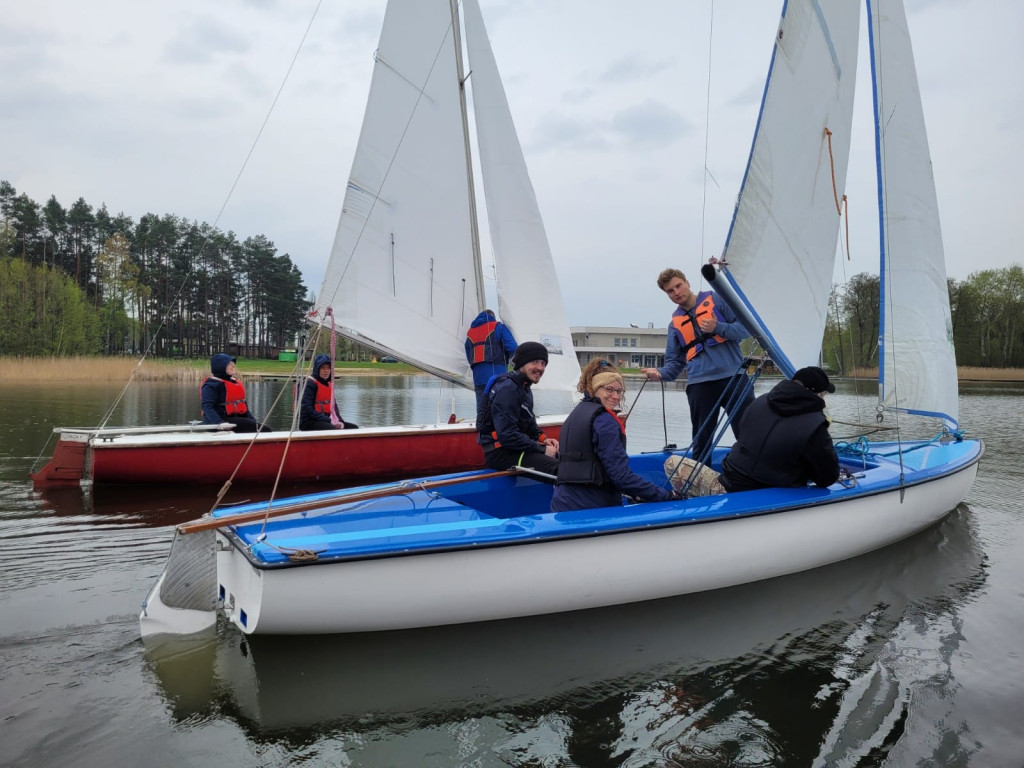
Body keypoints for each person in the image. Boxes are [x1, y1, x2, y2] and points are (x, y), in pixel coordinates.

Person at [641, 268, 755, 462]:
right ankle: (702, 484)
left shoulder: (718, 300)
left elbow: (746, 329)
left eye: (678, 286)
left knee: (749, 433)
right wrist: (659, 373)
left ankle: (757, 478)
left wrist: (717, 327)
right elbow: (674, 364)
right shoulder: (674, 325)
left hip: (734, 378)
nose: (676, 292)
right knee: (702, 440)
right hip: (700, 385)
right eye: (670, 290)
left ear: (687, 283)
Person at [551, 361, 678, 512]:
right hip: (591, 509)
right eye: (609, 390)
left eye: (619, 391)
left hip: (562, 505)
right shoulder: (605, 422)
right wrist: (666, 495)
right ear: (594, 388)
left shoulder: (575, 414)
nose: (616, 396)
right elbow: (621, 476)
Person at [718, 366, 840, 492]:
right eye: (824, 394)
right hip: (765, 491)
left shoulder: (760, 401)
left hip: (730, 477)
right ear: (819, 394)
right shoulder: (815, 425)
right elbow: (827, 477)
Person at [476, 340, 559, 475]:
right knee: (561, 469)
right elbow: (507, 435)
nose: (540, 368)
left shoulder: (523, 387)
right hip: (501, 454)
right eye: (535, 362)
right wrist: (542, 450)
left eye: (543, 363)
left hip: (515, 449)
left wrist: (543, 439)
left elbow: (529, 424)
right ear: (522, 363)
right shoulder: (508, 389)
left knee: (567, 461)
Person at [200, 353, 271, 433]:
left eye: (233, 364)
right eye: (230, 364)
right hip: (220, 421)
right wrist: (219, 423)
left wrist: (254, 421)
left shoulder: (234, 382)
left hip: (235, 420)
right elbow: (207, 407)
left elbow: (244, 407)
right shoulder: (211, 385)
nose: (233, 366)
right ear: (221, 366)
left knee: (261, 427)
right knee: (264, 430)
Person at [465, 309, 518, 410]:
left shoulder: (470, 332)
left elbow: (469, 355)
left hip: (478, 380)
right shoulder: (498, 327)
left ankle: (482, 426)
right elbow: (513, 348)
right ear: (492, 317)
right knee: (501, 412)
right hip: (498, 378)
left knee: (483, 413)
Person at [297, 354, 359, 431]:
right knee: (332, 429)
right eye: (323, 368)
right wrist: (329, 420)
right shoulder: (309, 384)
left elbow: (334, 407)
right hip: (309, 421)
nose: (326, 371)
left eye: (328, 368)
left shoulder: (329, 384)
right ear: (317, 369)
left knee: (354, 428)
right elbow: (307, 409)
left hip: (326, 420)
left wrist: (340, 421)